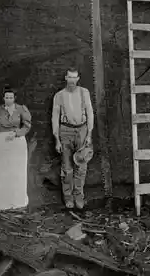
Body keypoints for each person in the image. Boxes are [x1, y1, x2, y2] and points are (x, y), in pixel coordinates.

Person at [0, 87, 32, 211]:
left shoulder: (21, 109)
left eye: (11, 97)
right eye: (6, 97)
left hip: (18, 142)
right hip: (2, 142)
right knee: (0, 171)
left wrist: (17, 133)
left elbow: (27, 126)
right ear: (3, 98)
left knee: (16, 171)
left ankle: (16, 200)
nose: (8, 99)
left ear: (14, 98)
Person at [52, 69, 94, 210]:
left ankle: (79, 197)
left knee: (81, 166)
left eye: (74, 77)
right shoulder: (59, 95)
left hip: (82, 130)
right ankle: (68, 198)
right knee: (67, 168)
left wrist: (89, 134)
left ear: (78, 79)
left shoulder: (84, 92)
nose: (72, 80)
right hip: (65, 131)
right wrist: (57, 138)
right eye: (69, 77)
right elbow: (55, 117)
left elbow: (90, 113)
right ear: (66, 78)